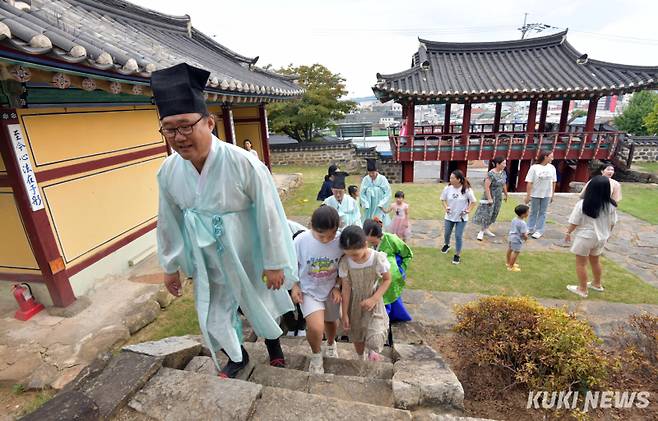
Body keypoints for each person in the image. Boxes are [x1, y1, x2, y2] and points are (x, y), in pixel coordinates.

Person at [153, 63, 296, 378]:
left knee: (260, 302)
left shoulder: (243, 163)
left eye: (186, 126)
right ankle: (237, 356)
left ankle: (275, 349)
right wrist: (170, 267)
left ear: (209, 122)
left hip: (248, 248)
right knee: (214, 311)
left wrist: (274, 262)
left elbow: (269, 213)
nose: (178, 136)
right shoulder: (169, 171)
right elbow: (168, 221)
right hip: (208, 257)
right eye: (169, 129)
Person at [291, 206, 343, 374]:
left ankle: (331, 343)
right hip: (309, 289)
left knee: (331, 322)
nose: (327, 240)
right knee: (315, 327)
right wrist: (294, 285)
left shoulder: (341, 241)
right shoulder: (300, 241)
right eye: (322, 236)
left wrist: (337, 286)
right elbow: (291, 265)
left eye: (331, 235)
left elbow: (346, 266)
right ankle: (316, 354)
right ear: (312, 226)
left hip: (331, 290)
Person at [338, 225, 391, 361]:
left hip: (374, 299)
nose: (353, 258)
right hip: (354, 302)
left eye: (356, 254)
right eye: (349, 255)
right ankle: (360, 357)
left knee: (374, 336)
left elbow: (387, 279)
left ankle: (372, 351)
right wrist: (344, 314)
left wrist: (374, 299)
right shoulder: (345, 262)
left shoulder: (377, 258)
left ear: (365, 244)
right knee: (357, 334)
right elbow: (346, 288)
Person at [565, 176, 618, 298]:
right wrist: (607, 234)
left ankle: (582, 289)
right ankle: (597, 284)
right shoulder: (611, 206)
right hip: (601, 238)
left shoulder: (582, 204)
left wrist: (568, 232)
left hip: (585, 237)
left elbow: (574, 221)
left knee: (581, 263)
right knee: (595, 261)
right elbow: (612, 223)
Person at [363, 219, 413, 324]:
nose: (369, 244)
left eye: (372, 242)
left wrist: (401, 269)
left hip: (392, 277)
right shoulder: (365, 242)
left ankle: (389, 317)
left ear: (379, 236)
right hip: (376, 277)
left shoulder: (392, 239)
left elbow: (407, 254)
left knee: (392, 299)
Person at [440, 170, 477, 265]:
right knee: (447, 233)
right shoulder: (447, 188)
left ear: (459, 179)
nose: (450, 179)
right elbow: (443, 200)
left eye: (452, 178)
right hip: (449, 216)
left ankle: (457, 255)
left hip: (461, 218)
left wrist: (468, 210)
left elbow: (473, 202)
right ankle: (447, 245)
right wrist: (446, 207)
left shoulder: (467, 189)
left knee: (458, 236)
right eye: (450, 177)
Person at [473, 156, 508, 241]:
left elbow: (503, 184)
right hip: (490, 195)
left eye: (505, 163)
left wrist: (506, 194)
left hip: (498, 196)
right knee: (487, 213)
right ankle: (481, 231)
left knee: (494, 213)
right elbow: (486, 186)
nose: (505, 165)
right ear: (497, 164)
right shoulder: (491, 173)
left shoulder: (503, 173)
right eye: (503, 163)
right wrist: (489, 198)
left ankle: (486, 228)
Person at [524, 151, 557, 239]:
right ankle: (530, 228)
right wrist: (528, 195)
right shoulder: (534, 168)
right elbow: (529, 182)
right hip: (535, 193)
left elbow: (554, 182)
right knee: (533, 211)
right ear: (545, 157)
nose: (552, 158)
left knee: (543, 212)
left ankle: (539, 230)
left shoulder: (552, 168)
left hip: (547, 194)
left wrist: (552, 194)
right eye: (551, 156)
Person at [360, 159, 392, 225]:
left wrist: (382, 203)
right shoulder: (366, 179)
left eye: (373, 173)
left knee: (379, 220)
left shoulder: (382, 179)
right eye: (369, 173)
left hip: (379, 203)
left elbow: (388, 192)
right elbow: (362, 192)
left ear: (376, 171)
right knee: (369, 220)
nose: (371, 175)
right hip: (369, 203)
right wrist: (366, 203)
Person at [506, 205, 530, 272]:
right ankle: (511, 266)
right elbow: (523, 234)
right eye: (528, 212)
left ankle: (508, 263)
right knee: (516, 252)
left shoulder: (514, 219)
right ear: (523, 214)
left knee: (510, 249)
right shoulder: (523, 223)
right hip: (517, 239)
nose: (529, 213)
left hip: (511, 237)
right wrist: (526, 238)